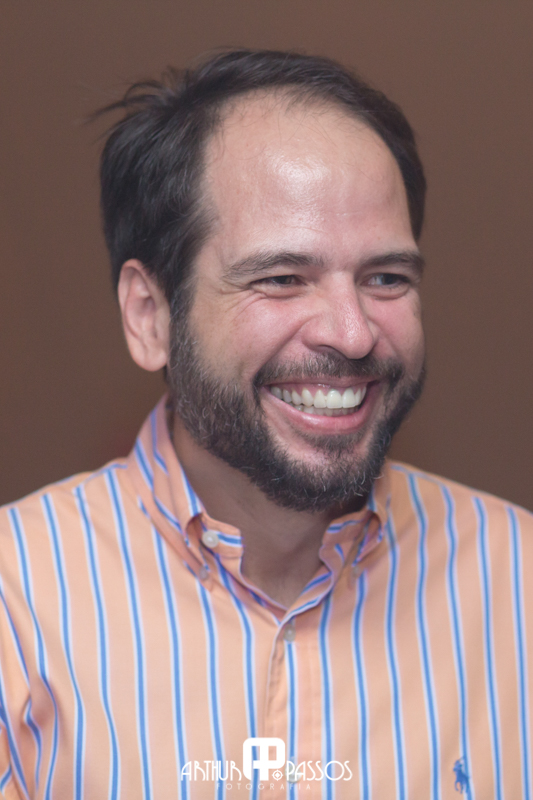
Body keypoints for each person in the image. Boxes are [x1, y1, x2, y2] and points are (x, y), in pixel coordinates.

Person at [0, 49, 531, 800]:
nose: (352, 334)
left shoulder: (518, 586)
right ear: (150, 315)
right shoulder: (17, 606)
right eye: (281, 278)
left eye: (385, 278)